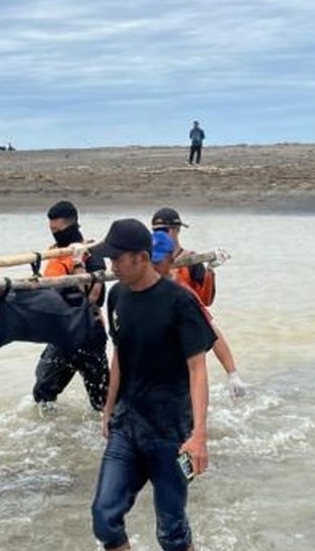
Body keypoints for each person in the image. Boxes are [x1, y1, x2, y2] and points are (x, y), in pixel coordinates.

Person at [89, 219, 215, 551]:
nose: (111, 264)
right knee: (104, 518)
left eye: (117, 258)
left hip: (173, 432)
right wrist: (108, 408)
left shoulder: (180, 302)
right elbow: (119, 354)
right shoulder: (116, 297)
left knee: (172, 533)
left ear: (142, 258)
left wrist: (199, 434)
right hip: (127, 426)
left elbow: (198, 369)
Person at [150, 208, 244, 398]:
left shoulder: (191, 260)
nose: (161, 236)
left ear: (176, 230)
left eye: (165, 231)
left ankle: (232, 376)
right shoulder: (147, 259)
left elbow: (205, 304)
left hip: (185, 323)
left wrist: (210, 271)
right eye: (156, 232)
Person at [32, 200, 110, 415]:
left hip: (88, 333)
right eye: (51, 230)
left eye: (58, 230)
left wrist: (77, 262)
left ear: (72, 225)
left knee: (102, 401)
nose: (55, 234)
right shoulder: (53, 253)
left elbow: (94, 296)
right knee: (42, 391)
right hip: (61, 334)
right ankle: (51, 435)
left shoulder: (91, 253)